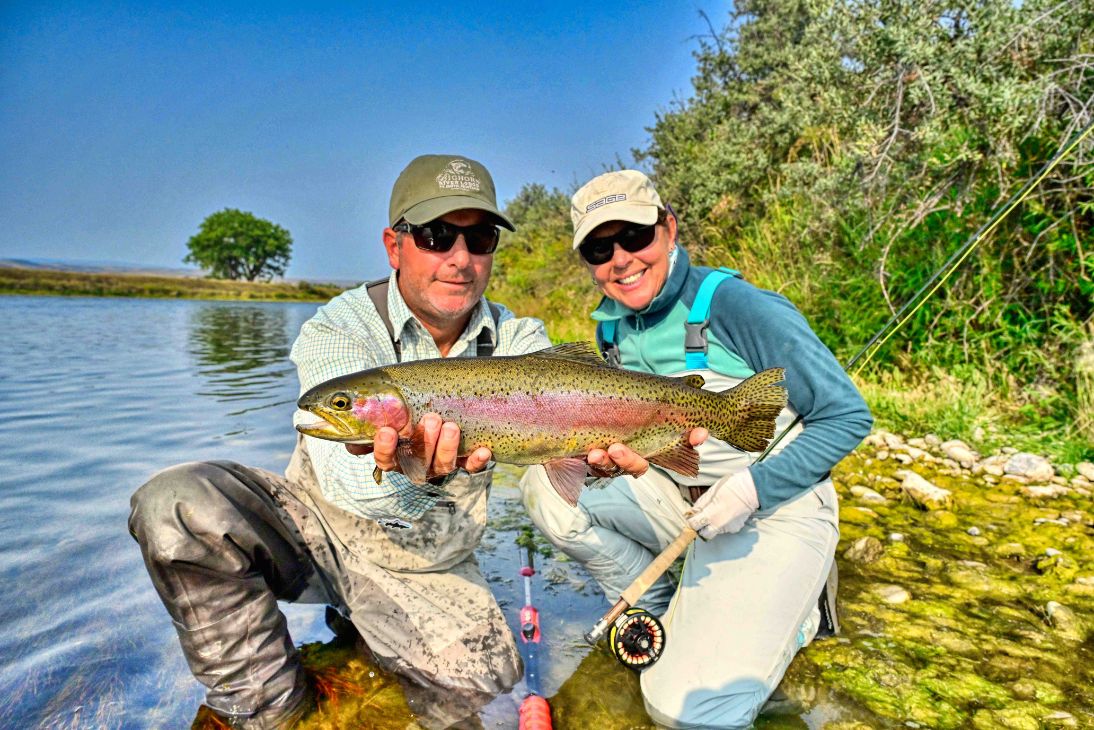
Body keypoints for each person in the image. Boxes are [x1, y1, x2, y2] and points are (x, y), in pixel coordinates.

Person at [129, 154, 648, 729]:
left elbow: (574, 443)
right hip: (314, 535)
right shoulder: (340, 327)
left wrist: (591, 460)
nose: (460, 258)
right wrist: (406, 473)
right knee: (175, 504)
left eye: (479, 238)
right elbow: (350, 480)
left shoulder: (521, 341)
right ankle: (272, 712)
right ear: (393, 244)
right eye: (435, 235)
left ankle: (367, 636)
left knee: (483, 700)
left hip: (430, 566)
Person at [520, 170, 873, 728]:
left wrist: (754, 488)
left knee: (682, 710)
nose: (620, 259)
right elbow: (647, 443)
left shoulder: (737, 305)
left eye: (635, 237)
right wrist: (617, 460)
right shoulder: (611, 331)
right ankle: (668, 606)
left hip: (775, 509)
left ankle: (798, 609)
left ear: (668, 230)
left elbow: (847, 415)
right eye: (599, 247)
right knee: (546, 486)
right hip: (685, 503)